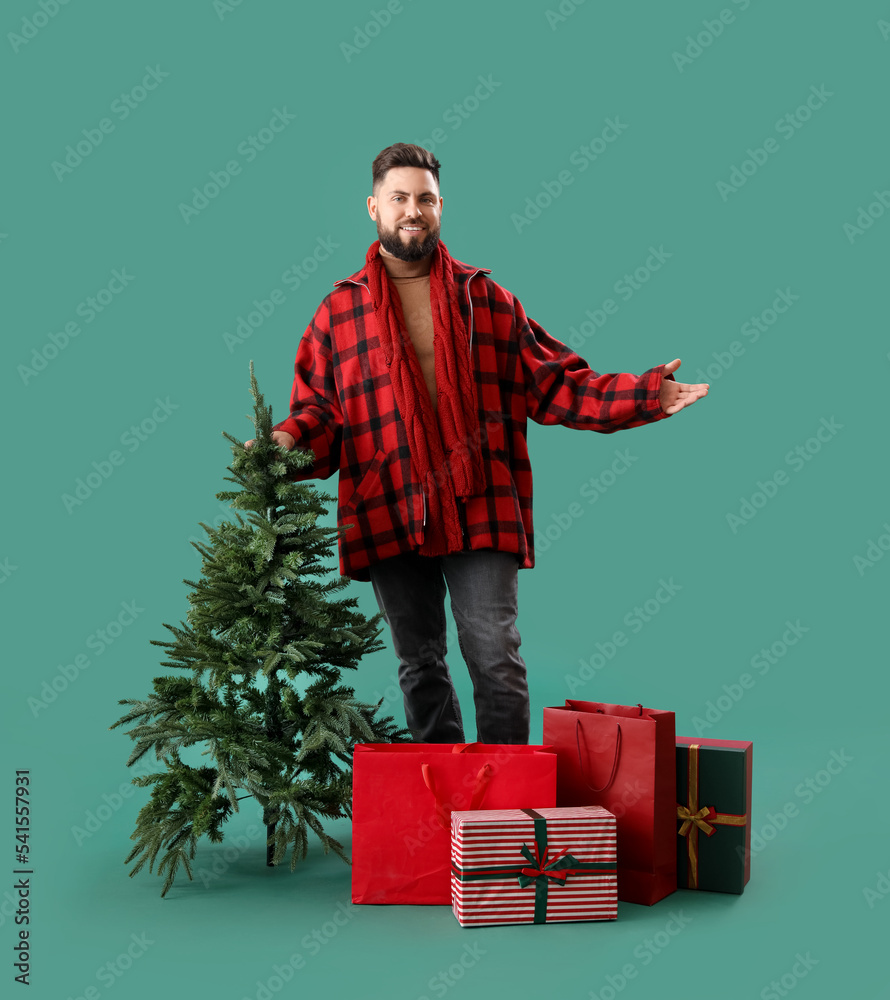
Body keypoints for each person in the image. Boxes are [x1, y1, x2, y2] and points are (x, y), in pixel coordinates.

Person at [246, 142, 708, 745]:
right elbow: (322, 416)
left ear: (441, 206)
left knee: (495, 656)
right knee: (420, 665)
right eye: (399, 198)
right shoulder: (338, 312)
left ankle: (507, 810)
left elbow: (558, 385)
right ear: (373, 207)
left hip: (481, 501)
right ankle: (447, 809)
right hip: (387, 504)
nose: (413, 210)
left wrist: (648, 394)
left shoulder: (483, 298)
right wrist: (283, 442)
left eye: (426, 199)